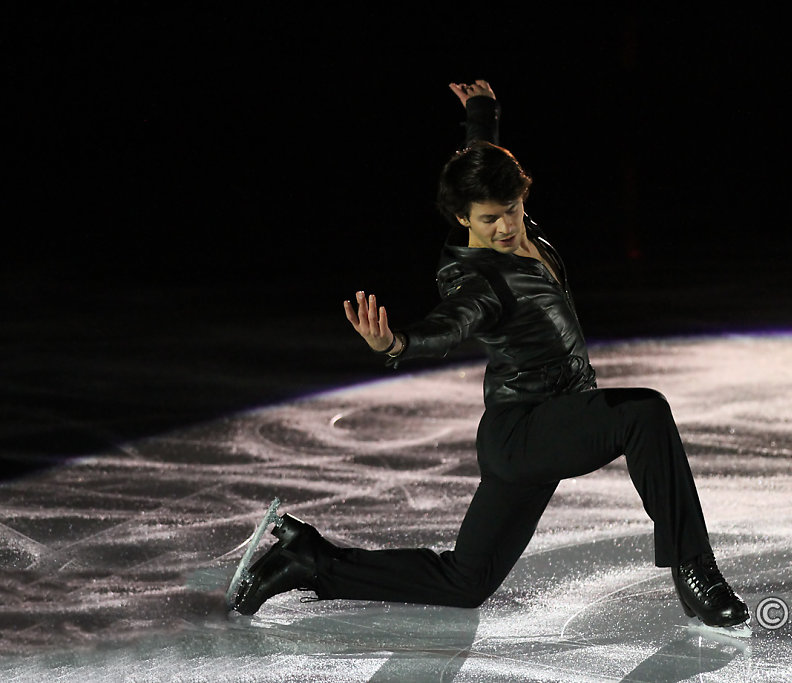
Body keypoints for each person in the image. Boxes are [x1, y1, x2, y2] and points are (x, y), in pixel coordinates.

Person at [230, 80, 750, 632]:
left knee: (466, 583)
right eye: (488, 219)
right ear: (463, 220)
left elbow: (485, 169)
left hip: (551, 425)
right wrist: (398, 343)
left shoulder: (525, 232)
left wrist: (481, 117)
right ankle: (696, 569)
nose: (503, 227)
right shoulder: (477, 275)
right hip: (524, 433)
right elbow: (453, 321)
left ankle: (311, 561)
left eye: (512, 210)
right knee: (644, 413)